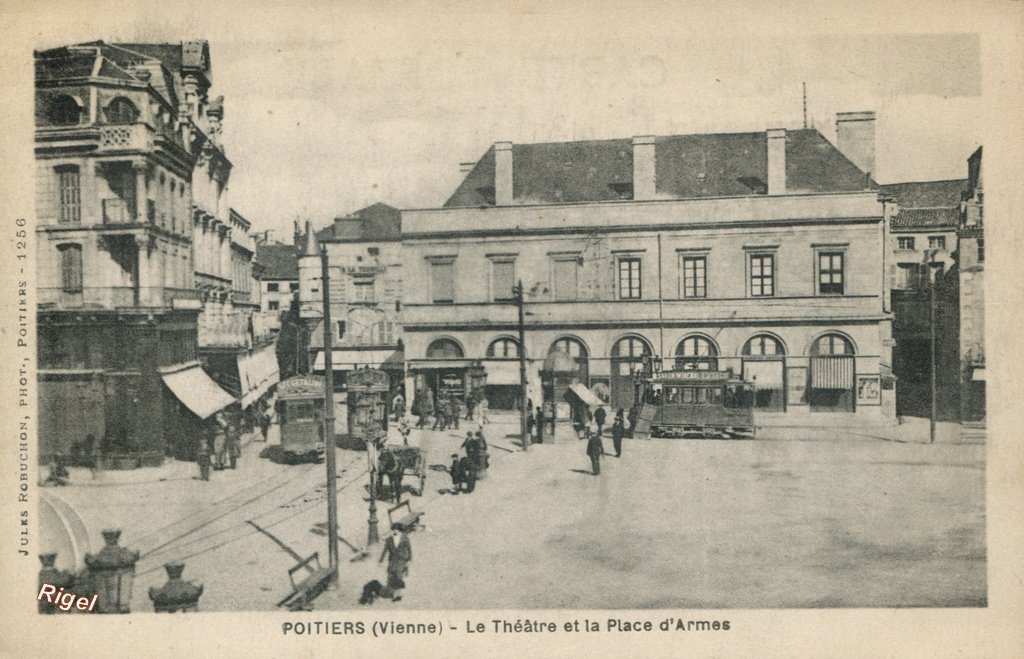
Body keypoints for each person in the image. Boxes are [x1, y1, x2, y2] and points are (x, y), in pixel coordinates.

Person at [379, 523, 412, 601]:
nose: (395, 531)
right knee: (391, 576)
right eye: (393, 529)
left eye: (396, 530)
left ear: (400, 530)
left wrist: (409, 559)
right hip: (392, 560)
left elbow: (409, 549)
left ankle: (398, 594)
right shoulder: (389, 539)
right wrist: (381, 561)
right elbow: (385, 550)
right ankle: (393, 593)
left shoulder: (405, 538)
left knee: (399, 576)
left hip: (402, 560)